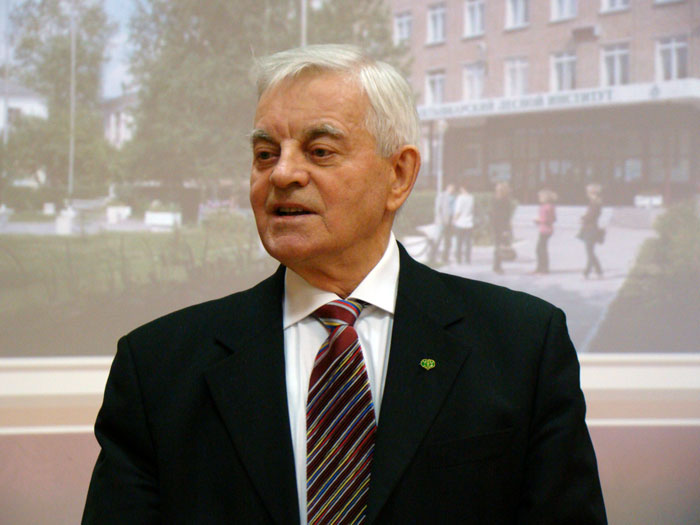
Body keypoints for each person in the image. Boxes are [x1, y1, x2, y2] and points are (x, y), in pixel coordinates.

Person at [83, 45, 606, 524]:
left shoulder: (522, 345)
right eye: (265, 154)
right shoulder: (158, 367)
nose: (282, 174)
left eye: (320, 151)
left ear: (398, 175)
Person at [579, 183, 604, 279]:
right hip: (591, 228)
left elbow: (591, 216)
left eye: (588, 192)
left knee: (590, 252)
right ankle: (598, 271)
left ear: (592, 192)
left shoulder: (595, 204)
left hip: (590, 229)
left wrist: (583, 219)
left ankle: (587, 273)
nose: (587, 193)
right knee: (590, 251)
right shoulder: (595, 203)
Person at [491, 181, 514, 274]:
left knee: (498, 246)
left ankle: (496, 266)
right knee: (499, 246)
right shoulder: (502, 200)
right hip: (499, 226)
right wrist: (506, 229)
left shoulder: (500, 200)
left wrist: (505, 228)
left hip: (498, 225)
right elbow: (505, 216)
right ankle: (497, 266)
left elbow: (504, 215)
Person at [430, 182, 455, 263]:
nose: (452, 190)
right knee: (438, 239)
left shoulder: (453, 197)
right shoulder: (442, 196)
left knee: (448, 240)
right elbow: (438, 209)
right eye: (451, 188)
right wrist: (440, 220)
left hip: (450, 222)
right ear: (448, 187)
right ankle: (432, 256)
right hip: (441, 222)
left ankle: (445, 257)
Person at [533, 188, 557, 274]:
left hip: (545, 229)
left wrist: (538, 220)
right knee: (541, 249)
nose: (539, 198)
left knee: (540, 249)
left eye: (540, 196)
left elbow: (546, 219)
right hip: (547, 229)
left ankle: (543, 268)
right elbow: (554, 218)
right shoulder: (551, 206)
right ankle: (540, 268)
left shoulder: (546, 207)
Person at [452, 184, 475, 264]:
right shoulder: (471, 198)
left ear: (463, 189)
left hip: (460, 223)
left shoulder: (460, 198)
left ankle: (459, 259)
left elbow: (458, 211)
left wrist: (454, 220)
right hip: (469, 223)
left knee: (459, 242)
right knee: (468, 242)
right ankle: (467, 259)